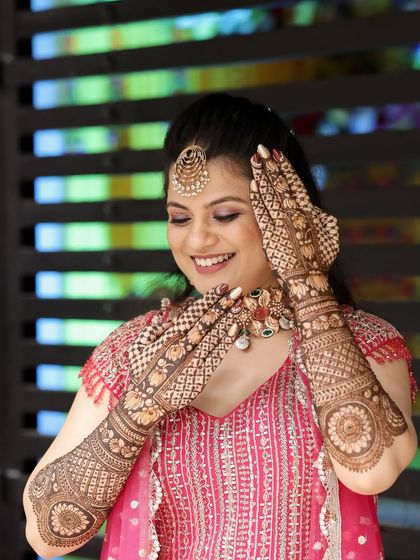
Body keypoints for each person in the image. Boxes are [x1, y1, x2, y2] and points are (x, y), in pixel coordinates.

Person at [23, 93, 418, 560]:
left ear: (288, 213)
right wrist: (136, 412)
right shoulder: (137, 348)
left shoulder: (362, 341)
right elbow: (46, 536)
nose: (197, 239)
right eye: (178, 217)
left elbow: (372, 471)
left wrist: (309, 286)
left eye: (225, 214)